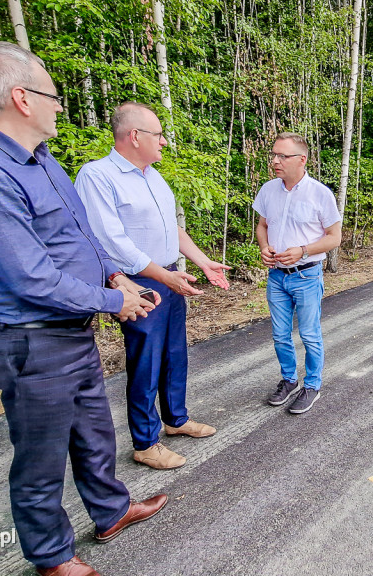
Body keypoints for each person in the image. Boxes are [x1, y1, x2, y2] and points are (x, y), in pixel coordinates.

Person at [0, 42, 166, 576]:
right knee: (40, 457)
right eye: (53, 95)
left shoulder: (41, 161)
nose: (60, 105)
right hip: (29, 338)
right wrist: (115, 301)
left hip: (71, 331)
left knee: (93, 432)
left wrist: (113, 274)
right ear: (21, 97)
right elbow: (29, 276)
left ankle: (109, 510)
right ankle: (52, 557)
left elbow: (78, 237)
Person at [75, 102, 230, 470]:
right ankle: (145, 442)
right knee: (145, 360)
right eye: (157, 134)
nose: (163, 141)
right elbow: (110, 241)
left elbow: (171, 230)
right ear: (134, 136)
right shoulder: (97, 177)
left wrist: (202, 262)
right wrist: (163, 277)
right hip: (136, 282)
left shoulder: (153, 176)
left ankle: (175, 419)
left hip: (169, 273)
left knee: (174, 354)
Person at [254, 133, 341, 414]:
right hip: (277, 277)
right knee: (280, 335)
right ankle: (289, 380)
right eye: (274, 155)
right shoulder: (268, 190)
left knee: (309, 335)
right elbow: (262, 226)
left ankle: (312, 385)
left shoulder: (320, 194)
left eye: (282, 156)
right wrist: (265, 247)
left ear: (301, 160)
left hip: (306, 275)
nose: (275, 161)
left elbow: (335, 237)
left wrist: (303, 250)